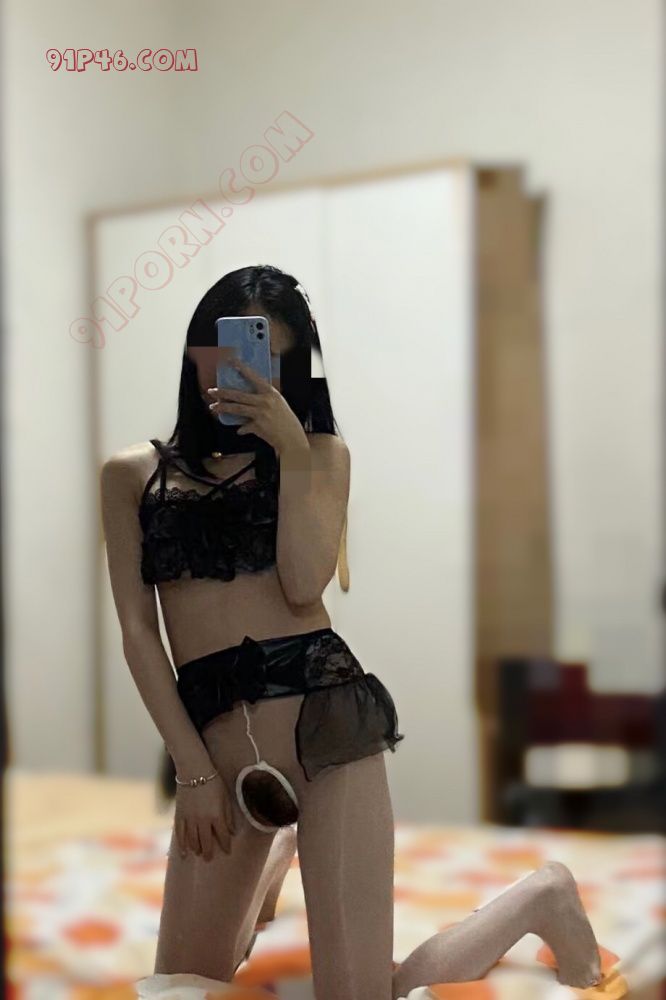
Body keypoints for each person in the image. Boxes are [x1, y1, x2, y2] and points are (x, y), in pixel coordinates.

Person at [100, 264, 606, 1000]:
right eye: (231, 349)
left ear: (294, 370)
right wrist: (193, 771)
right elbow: (138, 632)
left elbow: (303, 584)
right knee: (176, 988)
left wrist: (291, 451)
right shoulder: (131, 475)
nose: (249, 372)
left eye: (271, 358)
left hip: (326, 729)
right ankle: (269, 866)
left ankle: (542, 895)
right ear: (197, 352)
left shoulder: (322, 456)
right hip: (214, 747)